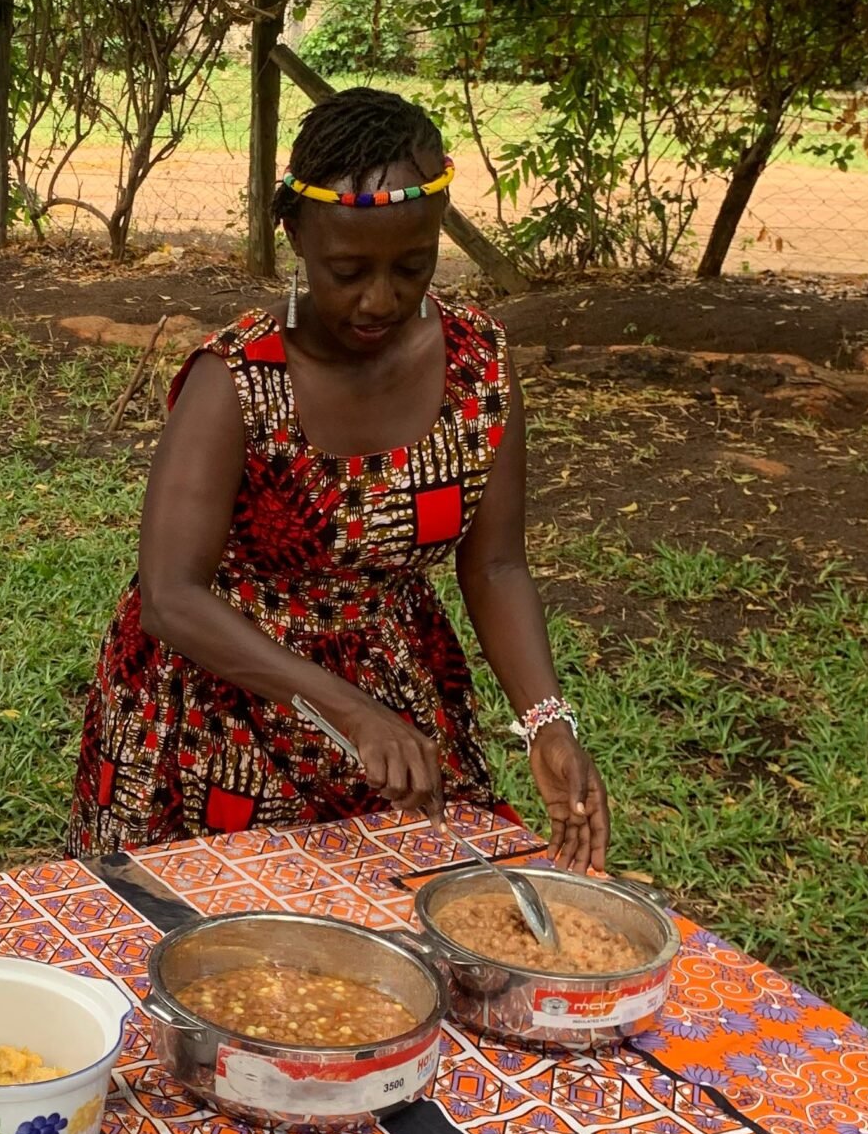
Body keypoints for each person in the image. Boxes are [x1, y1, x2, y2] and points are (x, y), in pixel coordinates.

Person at [70, 87, 609, 867]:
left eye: (412, 265)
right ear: (295, 232)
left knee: (416, 929)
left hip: (397, 703)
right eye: (348, 269)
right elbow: (171, 598)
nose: (380, 298)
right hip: (216, 721)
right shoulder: (238, 379)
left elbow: (494, 565)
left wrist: (547, 723)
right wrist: (348, 711)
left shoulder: (478, 362)